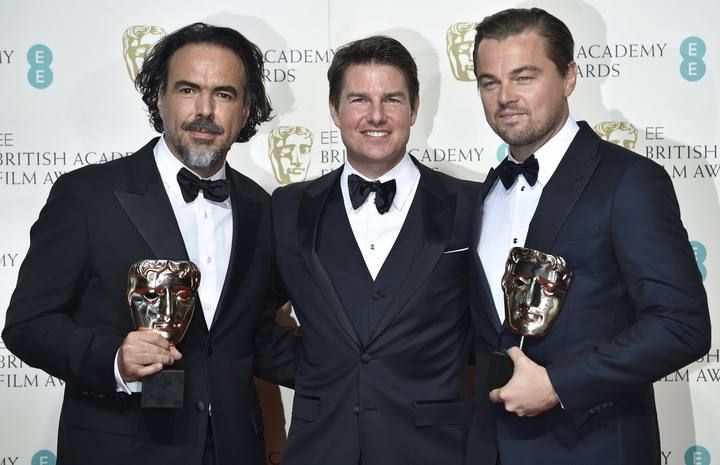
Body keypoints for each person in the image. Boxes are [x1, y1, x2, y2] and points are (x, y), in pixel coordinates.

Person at [3, 22, 296, 465]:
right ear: (159, 97)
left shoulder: (260, 206)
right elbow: (28, 324)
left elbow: (252, 335)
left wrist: (364, 366)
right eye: (187, 89)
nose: (204, 110)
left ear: (246, 108)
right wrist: (114, 360)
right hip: (122, 449)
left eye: (224, 94)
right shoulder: (88, 196)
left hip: (235, 449)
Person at [469, 8, 711, 464]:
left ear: (569, 76)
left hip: (593, 448)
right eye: (489, 82)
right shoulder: (485, 194)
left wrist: (559, 385)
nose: (505, 97)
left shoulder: (629, 181)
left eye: (524, 77)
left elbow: (683, 326)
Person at [272, 36, 482, 465]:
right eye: (358, 100)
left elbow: (493, 328)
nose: (376, 116)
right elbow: (251, 321)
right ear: (333, 109)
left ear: (415, 107)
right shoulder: (287, 207)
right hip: (320, 446)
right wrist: (323, 370)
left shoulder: (472, 204)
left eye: (392, 99)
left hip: (435, 448)